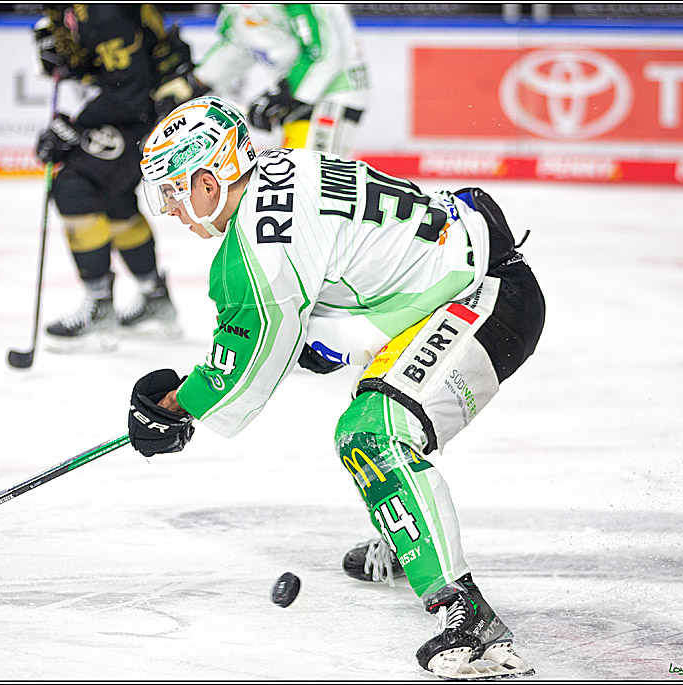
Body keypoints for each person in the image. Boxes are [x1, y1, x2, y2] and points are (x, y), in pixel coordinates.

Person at [126, 96, 545, 679]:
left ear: (210, 178)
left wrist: (177, 408)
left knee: (373, 434)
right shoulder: (282, 168)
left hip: (484, 300)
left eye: (174, 190)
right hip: (463, 278)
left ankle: (466, 614)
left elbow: (254, 347)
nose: (170, 208)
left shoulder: (260, 235)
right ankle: (415, 541)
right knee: (374, 412)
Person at [33, 3, 186, 350]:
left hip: (145, 111)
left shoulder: (104, 11)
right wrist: (66, 58)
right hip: (146, 106)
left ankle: (99, 305)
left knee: (74, 186)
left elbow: (129, 88)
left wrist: (75, 127)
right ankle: (154, 297)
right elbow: (105, 66)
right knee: (114, 200)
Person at [155, 4, 369, 156]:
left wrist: (287, 93)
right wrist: (195, 82)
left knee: (309, 189)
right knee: (291, 186)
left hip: (332, 94)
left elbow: (324, 50)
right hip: (299, 97)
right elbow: (238, 44)